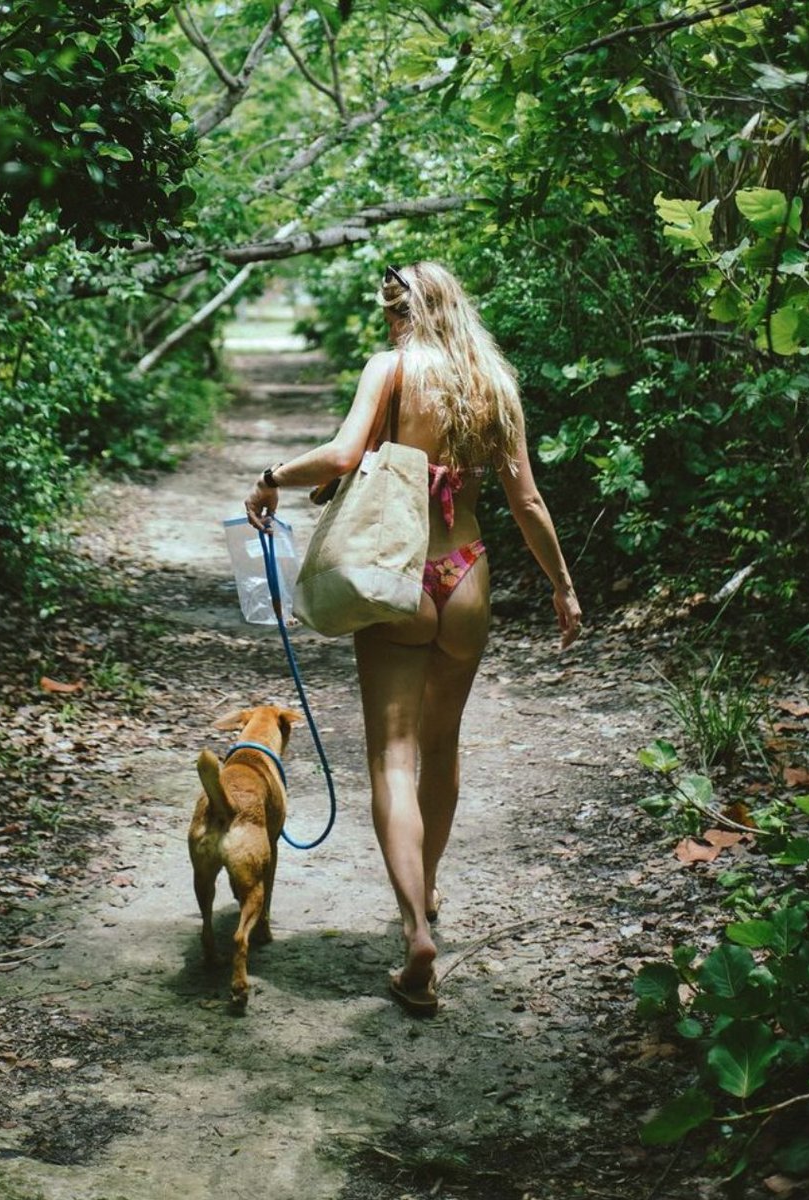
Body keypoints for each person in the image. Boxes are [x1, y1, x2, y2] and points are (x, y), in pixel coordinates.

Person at [244, 261, 582, 1016]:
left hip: (397, 576)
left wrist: (271, 476)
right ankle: (426, 887)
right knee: (442, 749)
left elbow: (338, 457)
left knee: (392, 759)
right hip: (466, 575)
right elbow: (525, 498)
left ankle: (415, 930)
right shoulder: (491, 379)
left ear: (397, 312)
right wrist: (561, 584)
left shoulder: (391, 368)